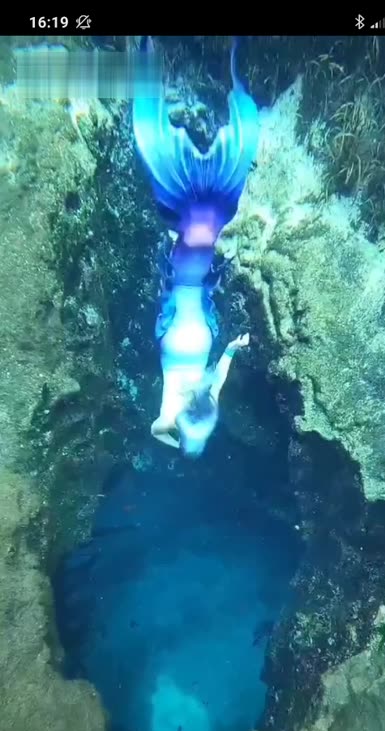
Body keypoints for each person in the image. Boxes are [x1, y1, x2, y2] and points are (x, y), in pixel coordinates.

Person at [132, 37, 259, 457]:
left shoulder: (170, 412)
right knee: (204, 233)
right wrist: (234, 347)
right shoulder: (206, 398)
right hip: (196, 302)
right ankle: (233, 67)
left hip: (180, 308)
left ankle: (164, 66)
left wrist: (179, 442)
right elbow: (221, 369)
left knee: (199, 235)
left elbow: (157, 430)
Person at [152, 332, 249, 456]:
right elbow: (218, 380)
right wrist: (232, 348)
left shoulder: (171, 415)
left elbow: (156, 432)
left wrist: (232, 347)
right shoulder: (205, 409)